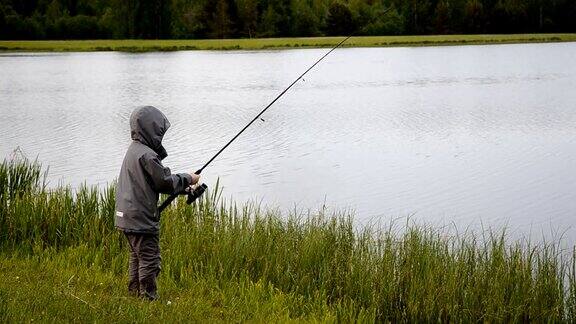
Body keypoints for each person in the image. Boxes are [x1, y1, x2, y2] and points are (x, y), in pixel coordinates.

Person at [115, 106, 200, 301]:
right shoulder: (147, 155)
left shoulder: (134, 151)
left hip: (126, 216)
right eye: (159, 131)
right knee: (150, 259)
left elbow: (151, 183)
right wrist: (189, 178)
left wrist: (182, 189)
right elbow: (164, 181)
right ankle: (147, 299)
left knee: (137, 257)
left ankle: (134, 295)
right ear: (151, 129)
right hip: (140, 219)